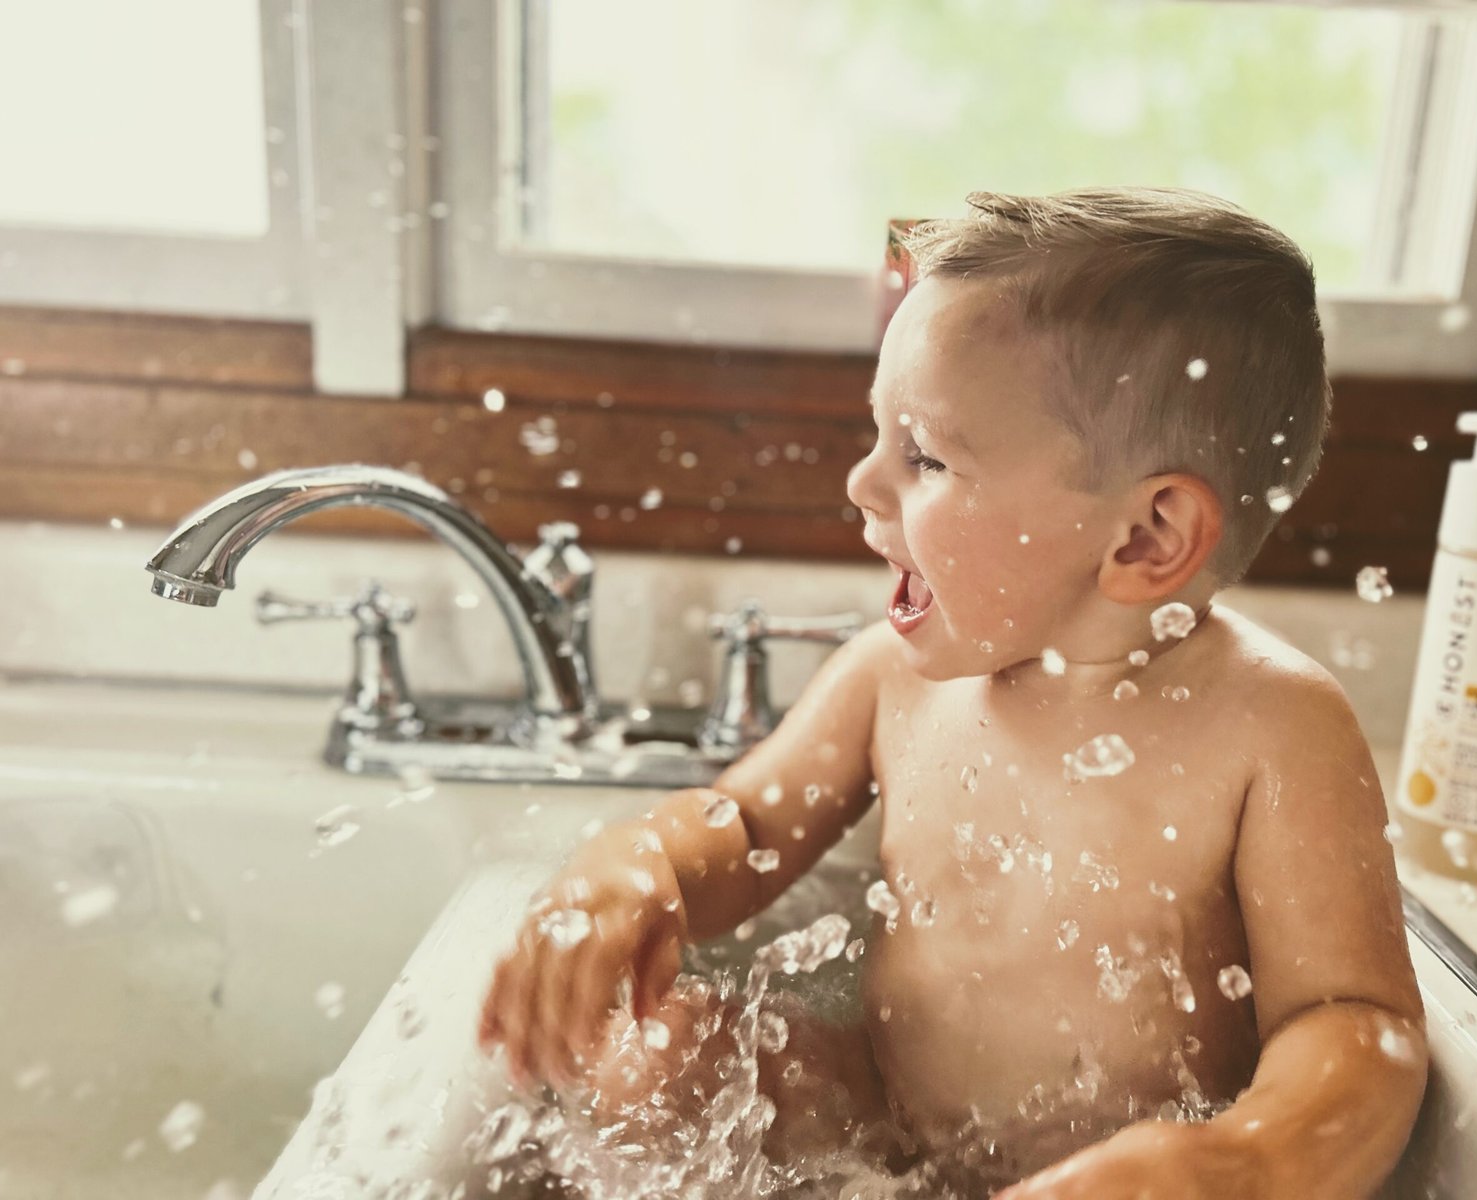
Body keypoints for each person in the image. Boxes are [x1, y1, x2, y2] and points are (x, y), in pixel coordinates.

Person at [477, 188, 1427, 1198]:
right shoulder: (895, 678)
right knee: (668, 1054)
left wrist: (1244, 1160)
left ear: (1145, 537)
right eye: (877, 435)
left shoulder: (1273, 725)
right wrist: (636, 867)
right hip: (884, 1136)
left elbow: (1352, 1020)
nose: (861, 484)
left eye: (923, 455)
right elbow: (744, 821)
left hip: (1125, 1180)